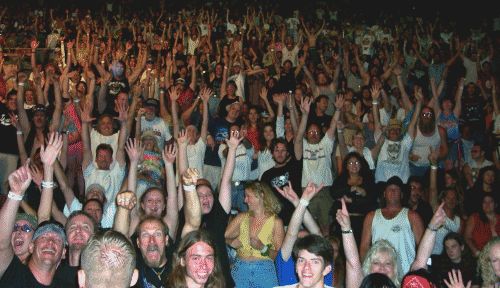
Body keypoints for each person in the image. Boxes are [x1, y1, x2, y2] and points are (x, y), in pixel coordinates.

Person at [225, 181, 285, 288]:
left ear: (261, 196)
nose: (245, 200)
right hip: (240, 269)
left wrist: (263, 248)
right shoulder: (241, 217)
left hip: (264, 271)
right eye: (245, 196)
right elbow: (221, 237)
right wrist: (232, 242)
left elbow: (280, 258)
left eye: (248, 196)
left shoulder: (276, 222)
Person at [360, 176, 424, 275]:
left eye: (396, 190)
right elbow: (364, 247)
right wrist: (365, 272)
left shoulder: (412, 216)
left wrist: (420, 270)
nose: (393, 192)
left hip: (406, 273)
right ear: (384, 194)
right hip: (379, 273)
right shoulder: (371, 216)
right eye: (390, 189)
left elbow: (423, 246)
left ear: (402, 195)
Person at [331, 152, 376, 243]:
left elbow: (372, 199)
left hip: (362, 220)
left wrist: (353, 199)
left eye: (356, 162)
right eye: (350, 163)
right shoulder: (341, 179)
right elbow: (334, 193)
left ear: (361, 165)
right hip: (343, 220)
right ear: (346, 166)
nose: (354, 165)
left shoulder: (368, 179)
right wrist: (351, 188)